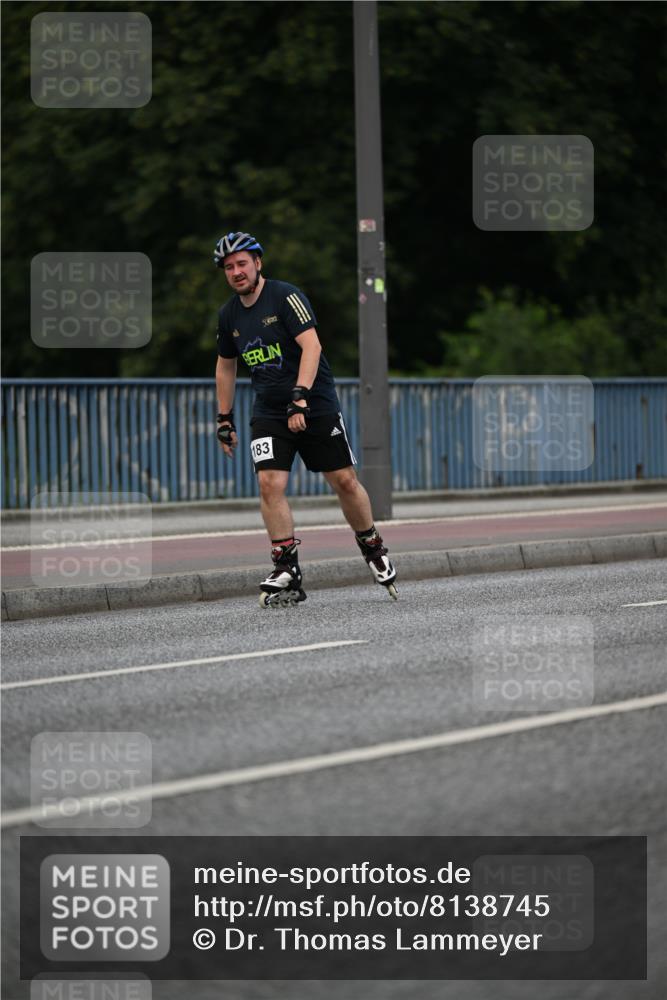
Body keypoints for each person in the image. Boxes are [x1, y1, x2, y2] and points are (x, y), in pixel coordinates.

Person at [213, 231, 397, 607]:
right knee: (269, 484)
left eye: (242, 263)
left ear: (258, 263)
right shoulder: (228, 314)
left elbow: (311, 345)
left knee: (344, 480)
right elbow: (225, 366)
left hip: (314, 403)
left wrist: (300, 397)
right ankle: (286, 567)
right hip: (268, 411)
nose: (236, 272)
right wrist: (224, 418)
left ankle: (371, 543)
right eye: (229, 267)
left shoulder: (285, 296)